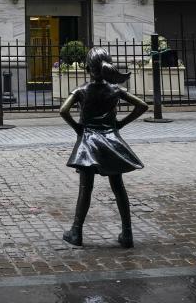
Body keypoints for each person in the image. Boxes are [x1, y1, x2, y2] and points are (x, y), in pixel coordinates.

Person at [58, 47, 149, 248]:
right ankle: (127, 234)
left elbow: (63, 110)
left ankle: (76, 232)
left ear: (89, 68)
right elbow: (142, 105)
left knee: (85, 188)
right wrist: (120, 124)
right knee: (118, 187)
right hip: (111, 141)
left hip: (88, 141)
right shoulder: (115, 89)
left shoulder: (82, 90)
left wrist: (78, 129)